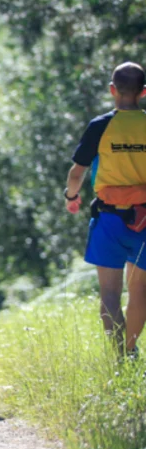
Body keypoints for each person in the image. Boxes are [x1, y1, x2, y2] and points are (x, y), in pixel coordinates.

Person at [65, 62, 146, 357]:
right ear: (143, 92)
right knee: (140, 292)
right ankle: (132, 349)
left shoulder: (100, 126)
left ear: (112, 90)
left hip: (110, 219)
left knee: (110, 294)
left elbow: (77, 172)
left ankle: (120, 358)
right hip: (145, 220)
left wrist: (71, 196)